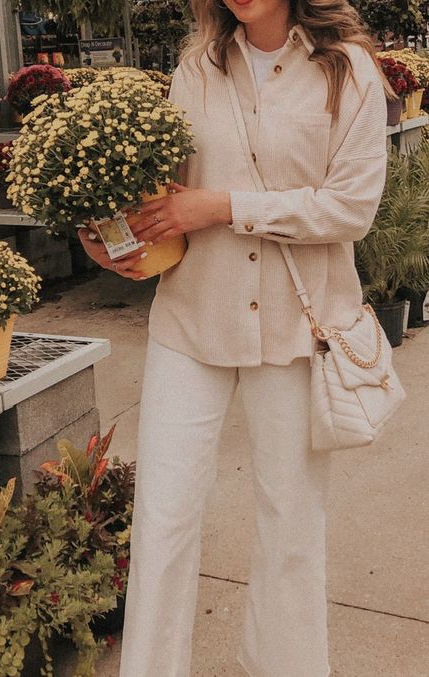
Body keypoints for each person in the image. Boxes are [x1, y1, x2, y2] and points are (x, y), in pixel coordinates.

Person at [79, 1, 389, 675]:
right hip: (192, 319)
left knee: (291, 523)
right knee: (162, 517)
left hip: (295, 328)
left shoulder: (350, 73)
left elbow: (351, 207)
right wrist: (116, 241)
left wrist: (225, 206)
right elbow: (168, 199)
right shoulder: (196, 71)